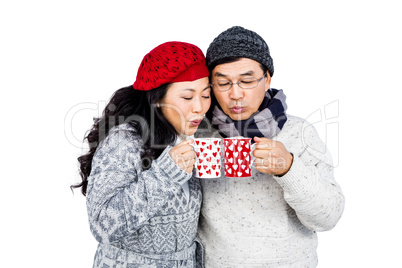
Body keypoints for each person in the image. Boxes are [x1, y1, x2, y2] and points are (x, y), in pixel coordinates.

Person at [196, 26, 345, 267]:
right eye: (222, 83)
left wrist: (289, 168)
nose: (235, 94)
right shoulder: (197, 132)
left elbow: (328, 218)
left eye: (246, 81)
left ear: (267, 80)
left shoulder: (300, 133)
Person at [72, 41, 211, 268]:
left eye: (206, 95)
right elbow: (102, 226)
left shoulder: (189, 135)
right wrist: (166, 174)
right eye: (187, 97)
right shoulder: (123, 142)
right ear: (157, 99)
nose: (199, 107)